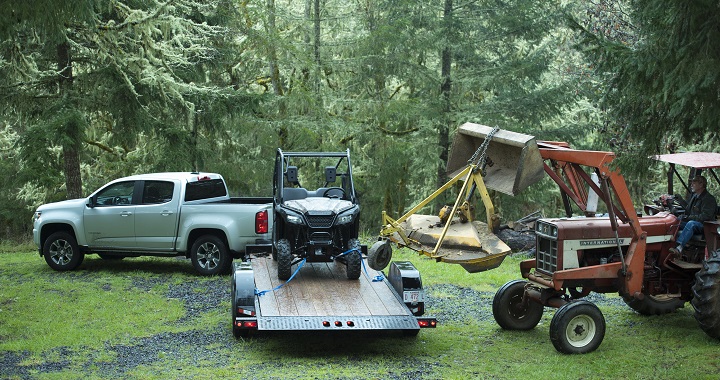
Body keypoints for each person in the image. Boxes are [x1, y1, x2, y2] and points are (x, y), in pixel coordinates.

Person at [669, 175, 718, 257]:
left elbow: (706, 216)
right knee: (675, 221)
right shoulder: (695, 196)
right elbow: (688, 210)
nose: (691, 184)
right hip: (694, 223)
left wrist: (689, 218)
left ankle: (679, 248)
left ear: (701, 184)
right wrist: (679, 200)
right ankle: (669, 244)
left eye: (694, 182)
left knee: (691, 223)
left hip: (705, 226)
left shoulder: (709, 199)